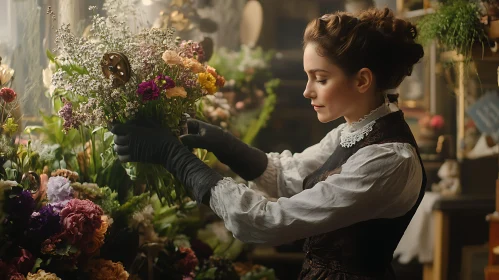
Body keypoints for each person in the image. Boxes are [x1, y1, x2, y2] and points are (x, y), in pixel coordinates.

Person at [111, 7, 426, 280]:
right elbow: (289, 178)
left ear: (362, 80)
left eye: (320, 78)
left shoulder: (389, 159)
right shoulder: (353, 131)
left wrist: (175, 157)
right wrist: (225, 145)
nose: (307, 91)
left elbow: (266, 221)